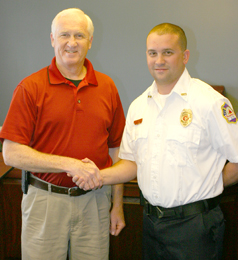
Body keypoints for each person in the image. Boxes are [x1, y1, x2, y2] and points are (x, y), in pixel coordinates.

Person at [73, 23, 238, 259]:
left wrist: (211, 184)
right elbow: (131, 163)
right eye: (153, 53)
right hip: (151, 224)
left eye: (167, 52)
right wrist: (97, 175)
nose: (159, 60)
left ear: (185, 56)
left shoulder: (210, 102)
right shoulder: (139, 106)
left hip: (195, 227)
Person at [0, 8, 125, 260]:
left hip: (96, 202)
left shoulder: (108, 87)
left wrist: (118, 205)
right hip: (45, 202)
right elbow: (11, 153)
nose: (71, 42)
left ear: (90, 41)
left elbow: (117, 149)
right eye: (64, 35)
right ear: (52, 39)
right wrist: (70, 165)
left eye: (79, 35)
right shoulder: (30, 87)